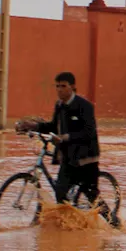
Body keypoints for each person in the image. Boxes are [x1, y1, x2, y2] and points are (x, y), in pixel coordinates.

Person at [16, 72, 100, 206]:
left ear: (72, 87)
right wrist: (34, 126)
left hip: (86, 159)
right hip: (68, 157)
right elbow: (53, 126)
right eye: (57, 86)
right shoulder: (59, 105)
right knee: (60, 193)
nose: (59, 89)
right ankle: (69, 223)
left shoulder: (85, 106)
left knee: (92, 198)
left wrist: (64, 138)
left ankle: (113, 222)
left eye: (63, 86)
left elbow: (88, 132)